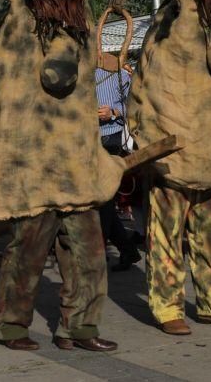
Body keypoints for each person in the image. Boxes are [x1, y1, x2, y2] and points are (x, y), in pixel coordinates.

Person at [95, 59, 141, 271]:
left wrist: (113, 112)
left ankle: (100, 251)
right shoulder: (80, 73)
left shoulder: (120, 74)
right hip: (88, 139)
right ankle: (127, 250)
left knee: (103, 198)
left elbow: (135, 106)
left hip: (111, 138)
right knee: (100, 200)